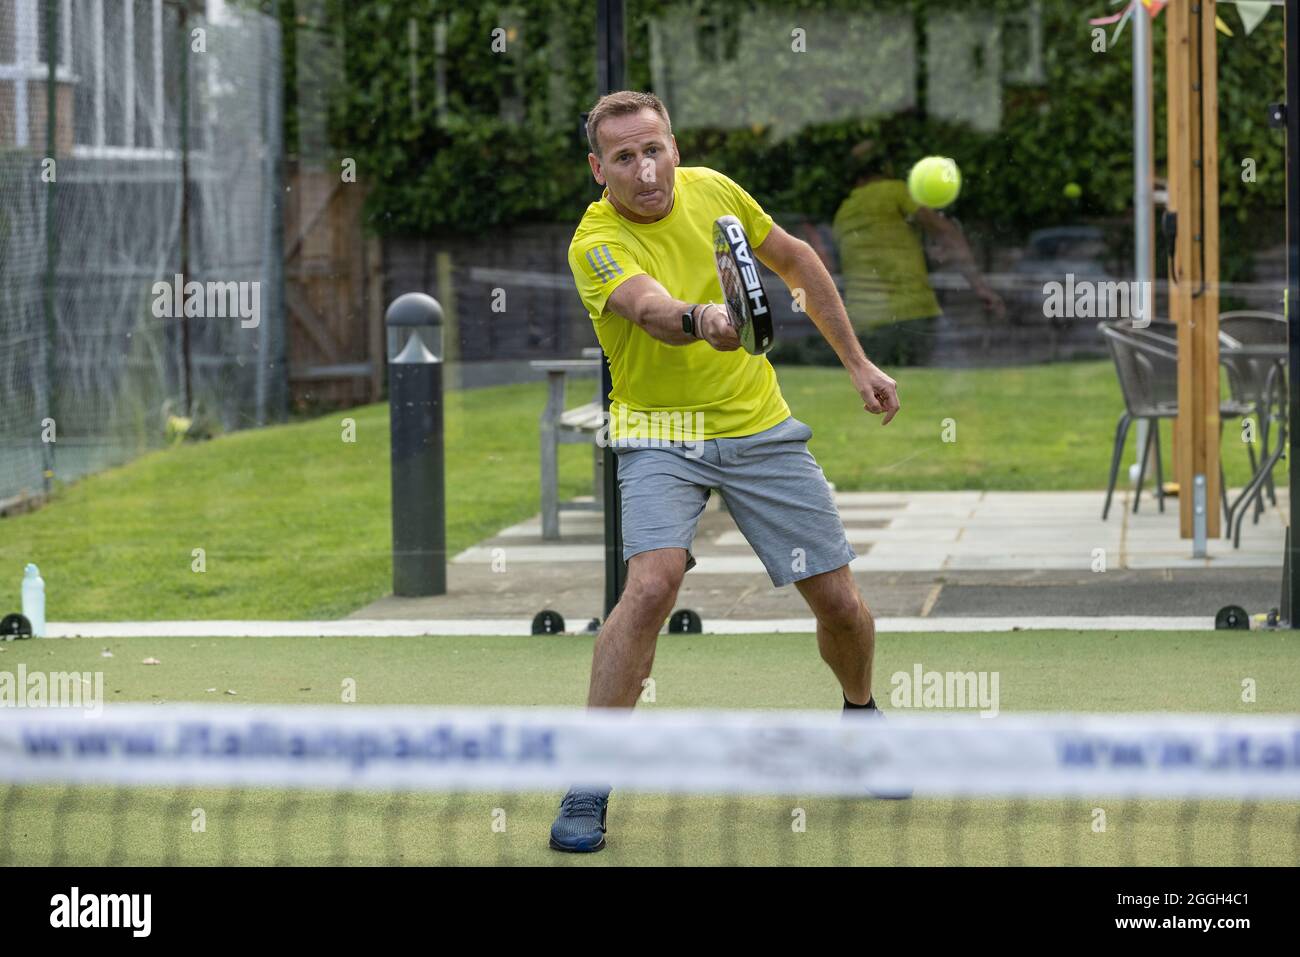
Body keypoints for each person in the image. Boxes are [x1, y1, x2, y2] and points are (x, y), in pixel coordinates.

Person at [554, 91, 905, 854]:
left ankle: (861, 717)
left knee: (840, 602)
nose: (646, 171)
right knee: (649, 587)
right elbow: (648, 309)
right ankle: (588, 777)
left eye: (655, 149)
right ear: (598, 169)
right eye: (624, 157)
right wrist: (706, 320)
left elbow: (798, 260)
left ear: (674, 146)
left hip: (758, 424)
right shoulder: (595, 241)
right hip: (659, 431)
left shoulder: (715, 191)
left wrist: (856, 362)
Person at [796, 140, 1004, 368]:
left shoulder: (842, 214)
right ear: (885, 168)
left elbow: (878, 250)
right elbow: (947, 234)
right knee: (958, 370)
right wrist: (980, 287)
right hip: (913, 314)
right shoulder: (895, 191)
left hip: (864, 326)